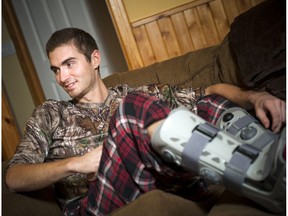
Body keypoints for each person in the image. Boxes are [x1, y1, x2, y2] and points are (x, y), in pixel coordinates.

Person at [5, 28, 285, 215]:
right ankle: (258, 175)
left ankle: (270, 159)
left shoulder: (133, 95)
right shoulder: (51, 113)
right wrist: (76, 164)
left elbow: (208, 92)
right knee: (128, 114)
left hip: (161, 180)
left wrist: (255, 97)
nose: (62, 77)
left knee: (206, 104)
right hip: (96, 203)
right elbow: (14, 177)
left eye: (69, 64)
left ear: (94, 59)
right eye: (55, 69)